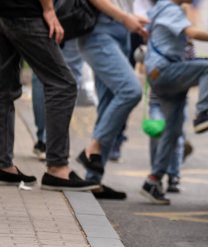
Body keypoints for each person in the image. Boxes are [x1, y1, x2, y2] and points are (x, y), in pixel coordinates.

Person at [0, 0, 100, 191]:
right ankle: (57, 168)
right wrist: (48, 9)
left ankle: (3, 164)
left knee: (3, 89)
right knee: (63, 84)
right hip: (26, 13)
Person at [140, 0, 208, 204]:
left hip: (162, 74)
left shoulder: (160, 8)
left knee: (173, 131)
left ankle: (153, 180)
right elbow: (192, 33)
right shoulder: (171, 10)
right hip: (165, 72)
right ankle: (204, 112)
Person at [75, 0, 148, 199]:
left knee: (108, 104)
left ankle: (93, 179)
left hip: (120, 32)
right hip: (99, 33)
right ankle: (93, 147)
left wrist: (130, 17)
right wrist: (125, 17)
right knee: (130, 90)